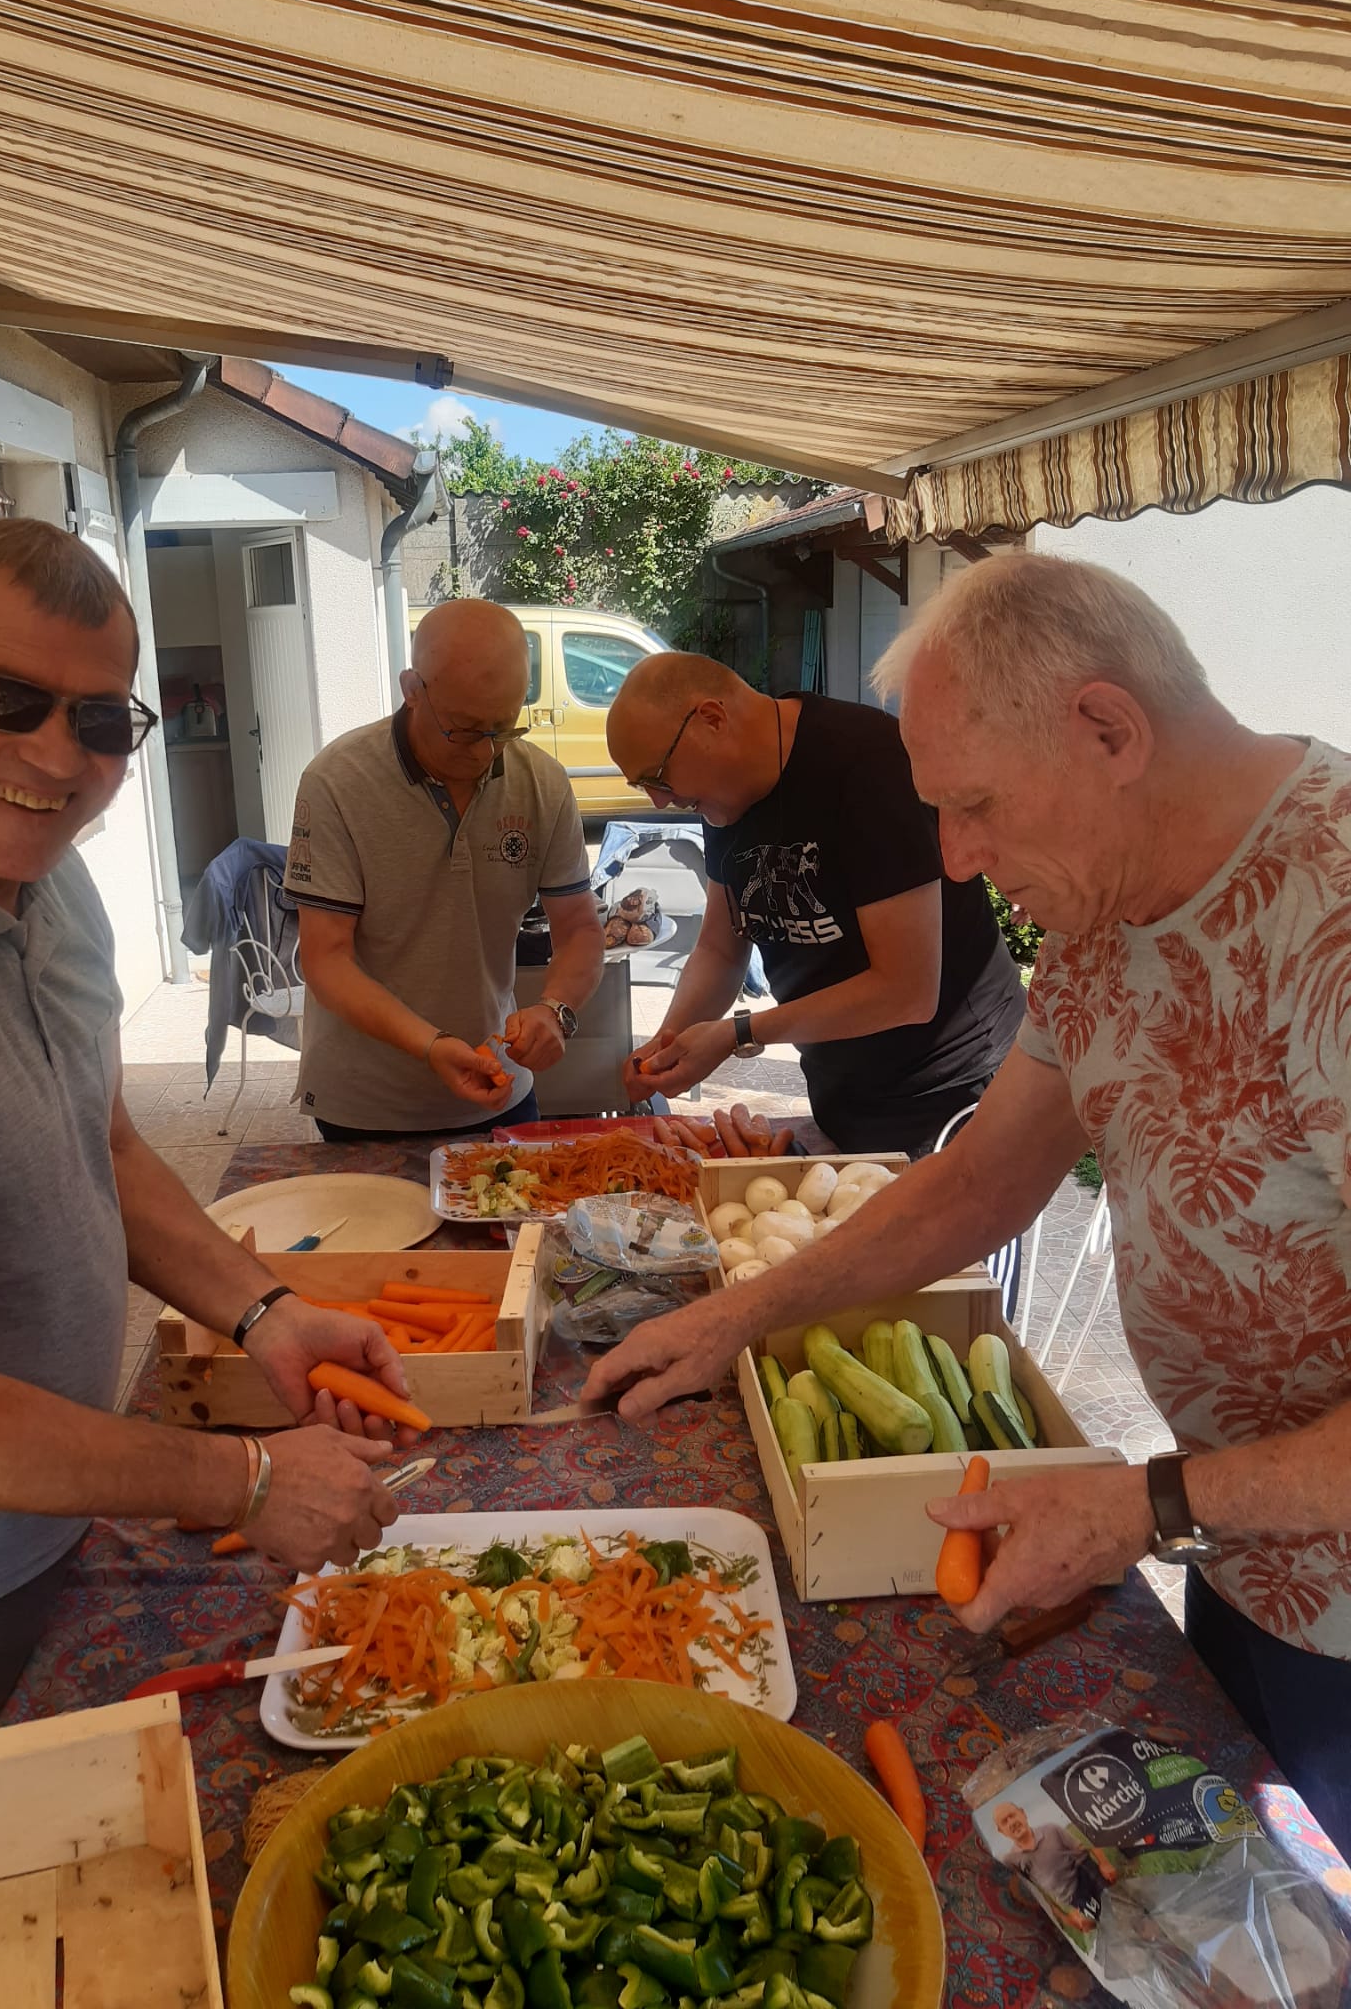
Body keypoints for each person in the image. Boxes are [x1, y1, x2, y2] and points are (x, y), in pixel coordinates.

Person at [585, 553, 1351, 1853]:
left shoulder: (1329, 911)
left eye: (975, 804)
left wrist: (1148, 1504)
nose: (955, 857)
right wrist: (742, 1317)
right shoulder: (1108, 917)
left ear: (1108, 728)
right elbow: (986, 1176)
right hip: (1255, 1557)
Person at [0, 520, 410, 1759]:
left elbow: (111, 1145)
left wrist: (266, 1310)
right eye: (7, 699)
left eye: (98, 722)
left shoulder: (47, 875)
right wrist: (248, 1480)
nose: (53, 758)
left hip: (57, 1506)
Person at [606, 653, 1025, 1156]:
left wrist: (738, 1032)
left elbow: (907, 989)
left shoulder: (866, 764)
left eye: (658, 776)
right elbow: (721, 949)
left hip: (954, 1091)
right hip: (844, 1092)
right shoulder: (723, 794)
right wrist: (671, 1040)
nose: (657, 800)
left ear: (712, 720)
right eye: (642, 785)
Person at [286, 600, 604, 1137]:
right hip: (365, 1105)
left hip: (501, 1092)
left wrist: (556, 1009)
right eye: (463, 729)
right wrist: (430, 1045)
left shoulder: (542, 784)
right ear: (412, 689)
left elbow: (579, 929)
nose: (484, 752)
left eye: (502, 729)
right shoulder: (336, 782)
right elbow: (325, 959)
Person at [991, 1801, 1116, 1931]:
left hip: (1087, 1871)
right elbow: (1037, 1895)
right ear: (1001, 1831)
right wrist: (1065, 1918)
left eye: (1012, 1815)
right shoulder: (1010, 1860)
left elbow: (1083, 1844)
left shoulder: (1051, 1829)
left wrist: (1104, 1862)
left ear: (1022, 1813)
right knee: (1108, 1923)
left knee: (1121, 1904)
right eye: (1004, 1822)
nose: (1011, 1822)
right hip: (1073, 1895)